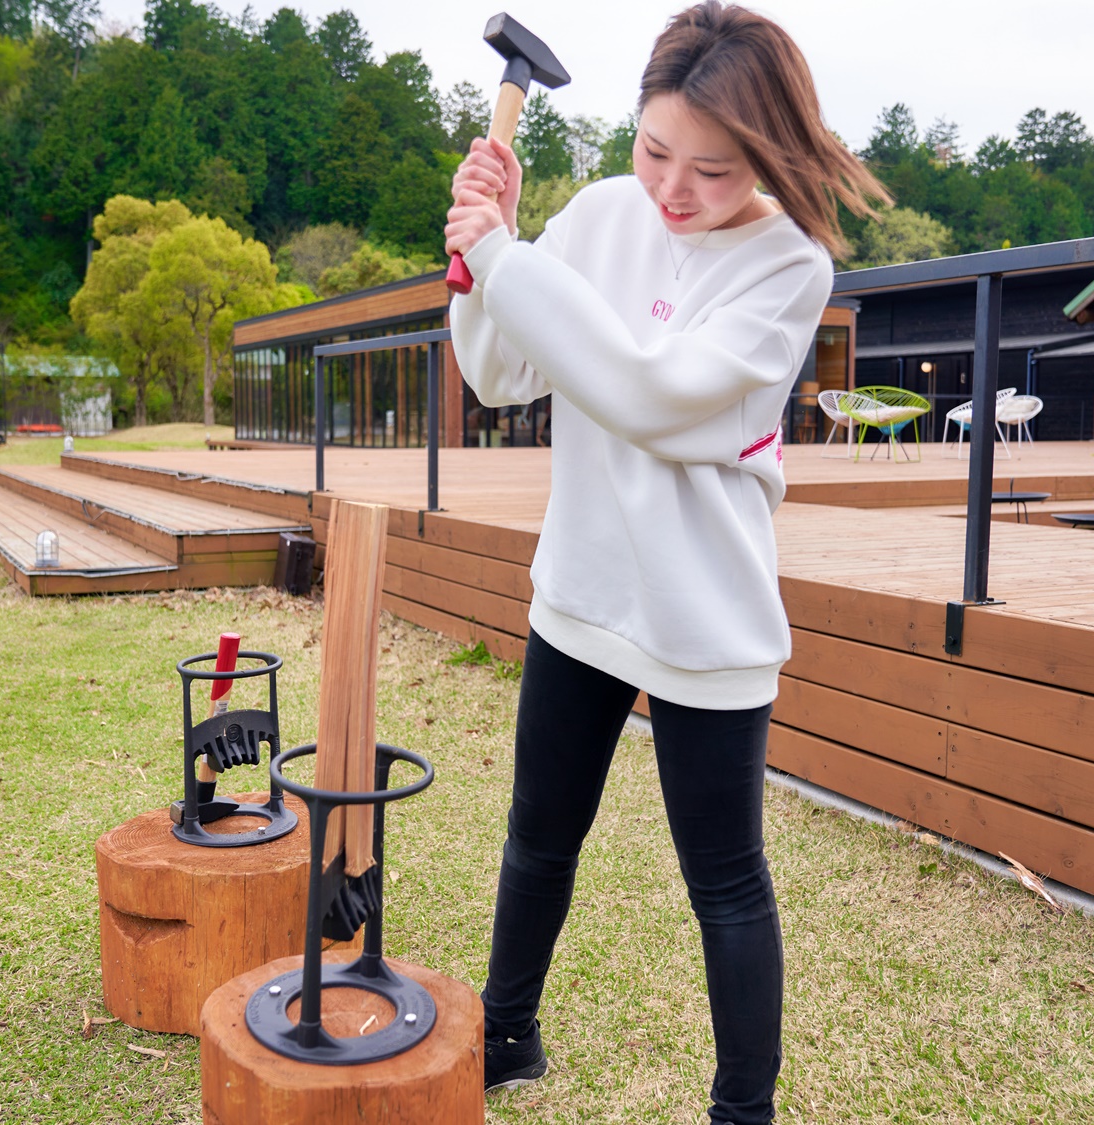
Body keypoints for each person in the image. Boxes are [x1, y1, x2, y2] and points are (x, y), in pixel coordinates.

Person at [444, 3, 889, 1122]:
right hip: (582, 583)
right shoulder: (600, 214)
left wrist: (505, 258)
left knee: (724, 883)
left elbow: (646, 395)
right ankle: (506, 1036)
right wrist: (475, 254)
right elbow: (502, 375)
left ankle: (742, 1111)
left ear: (771, 158)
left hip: (706, 613)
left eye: (714, 169)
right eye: (653, 153)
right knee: (538, 836)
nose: (673, 192)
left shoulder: (789, 269)